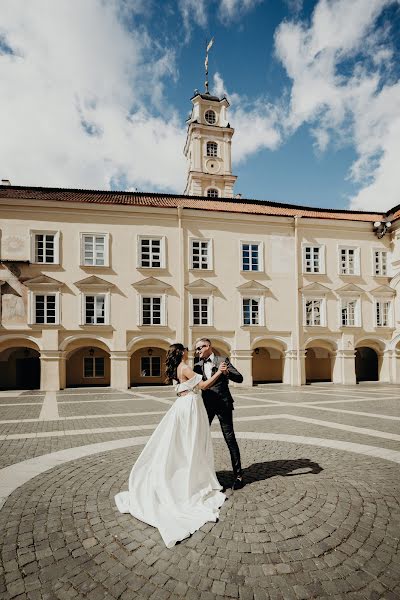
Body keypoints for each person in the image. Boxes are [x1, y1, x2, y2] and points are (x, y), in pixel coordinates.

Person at [114, 343, 226, 548]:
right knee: (191, 442)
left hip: (181, 405)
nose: (189, 350)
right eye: (186, 349)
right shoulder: (184, 367)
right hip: (191, 406)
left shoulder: (176, 368)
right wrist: (219, 372)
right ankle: (189, 479)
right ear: (182, 352)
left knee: (182, 444)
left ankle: (186, 472)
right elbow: (202, 386)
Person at [193, 338, 244, 490]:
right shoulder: (197, 365)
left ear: (208, 346)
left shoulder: (222, 360)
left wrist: (227, 372)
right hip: (206, 406)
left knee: (230, 439)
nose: (198, 351)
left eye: (200, 348)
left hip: (223, 405)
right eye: (196, 349)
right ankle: (200, 475)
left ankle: (239, 476)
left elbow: (240, 378)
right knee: (200, 439)